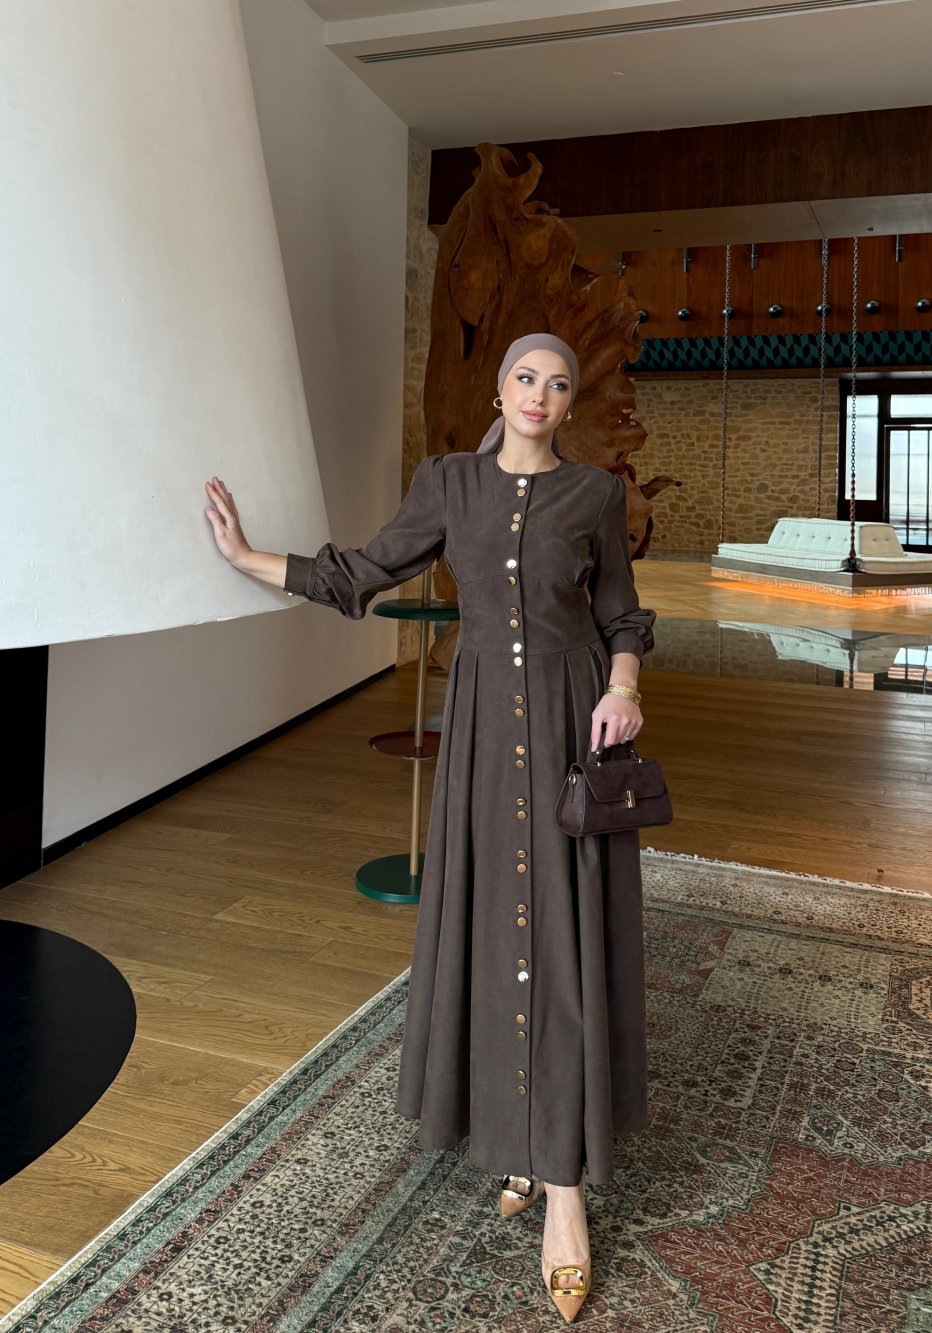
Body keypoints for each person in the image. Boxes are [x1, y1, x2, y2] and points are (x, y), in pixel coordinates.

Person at [204, 333, 655, 1323]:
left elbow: (622, 614)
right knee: (498, 931)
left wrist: (623, 688)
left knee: (562, 937)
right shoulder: (448, 483)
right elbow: (361, 571)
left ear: (569, 403)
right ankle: (519, 1142)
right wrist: (246, 556)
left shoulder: (594, 495)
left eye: (557, 383)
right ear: (499, 389)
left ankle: (563, 1192)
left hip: (571, 719)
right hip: (485, 729)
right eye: (525, 377)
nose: (539, 393)